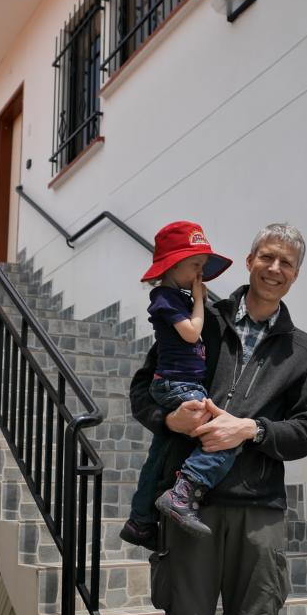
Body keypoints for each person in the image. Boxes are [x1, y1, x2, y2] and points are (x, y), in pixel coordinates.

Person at [130, 223, 307, 615]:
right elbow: (143, 388)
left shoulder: (302, 350)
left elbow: (306, 430)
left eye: (286, 263)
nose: (274, 269)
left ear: (295, 275)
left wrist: (251, 429)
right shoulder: (203, 317)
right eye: (267, 257)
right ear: (250, 259)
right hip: (190, 505)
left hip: (259, 511)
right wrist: (168, 420)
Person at [120, 221, 233, 550]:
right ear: (172, 265)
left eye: (202, 267)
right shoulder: (166, 299)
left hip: (179, 382)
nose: (201, 274)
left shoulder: (174, 298)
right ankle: (183, 493)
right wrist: (199, 300)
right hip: (178, 384)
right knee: (224, 434)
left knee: (159, 454)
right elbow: (192, 333)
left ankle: (140, 521)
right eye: (196, 265)